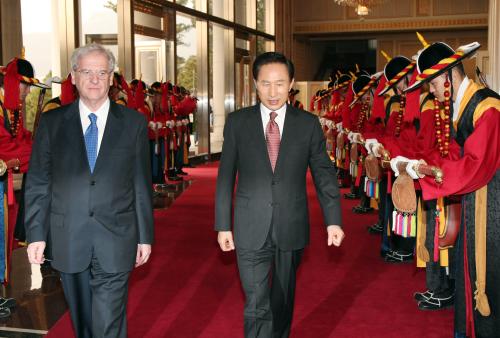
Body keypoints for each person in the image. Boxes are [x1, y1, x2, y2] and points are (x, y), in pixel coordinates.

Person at [24, 43, 154, 338]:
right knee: (83, 324)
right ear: (74, 76)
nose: (95, 80)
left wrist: (144, 236)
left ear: (111, 78)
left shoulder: (133, 123)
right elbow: (39, 182)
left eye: (102, 72)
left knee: (108, 321)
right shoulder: (53, 122)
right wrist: (36, 234)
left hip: (117, 235)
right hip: (69, 235)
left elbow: (140, 183)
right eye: (87, 72)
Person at [214, 52, 344, 338]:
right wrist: (223, 224)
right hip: (249, 225)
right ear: (255, 85)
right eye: (265, 84)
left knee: (282, 300)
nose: (273, 92)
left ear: (292, 83)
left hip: (291, 224)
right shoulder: (238, 122)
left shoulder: (307, 124)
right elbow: (225, 176)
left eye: (280, 84)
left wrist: (333, 220)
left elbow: (324, 173)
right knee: (256, 303)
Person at [400, 41, 500, 337]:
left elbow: (476, 164)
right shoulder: (463, 105)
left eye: (432, 83)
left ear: (449, 74)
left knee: (488, 273)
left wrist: (427, 176)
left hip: (492, 203)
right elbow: (454, 156)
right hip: (476, 198)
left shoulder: (487, 106)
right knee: (469, 267)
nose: (430, 91)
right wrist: (418, 165)